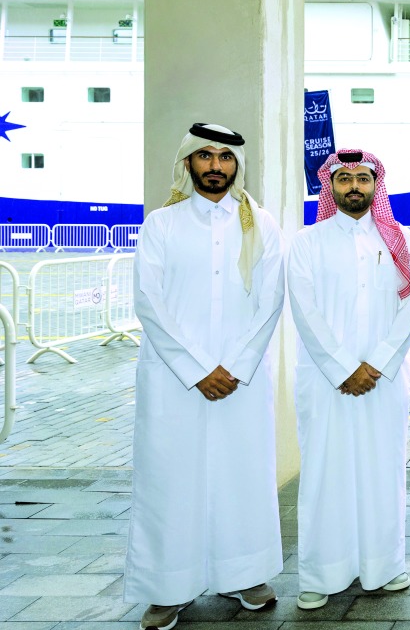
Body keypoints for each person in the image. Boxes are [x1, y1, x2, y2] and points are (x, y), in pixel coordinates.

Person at [125, 123, 286, 630]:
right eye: (206, 156)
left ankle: (246, 574)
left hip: (240, 378)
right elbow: (148, 300)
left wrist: (233, 366)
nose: (216, 165)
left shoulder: (260, 224)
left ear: (237, 165)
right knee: (171, 480)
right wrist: (197, 369)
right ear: (188, 162)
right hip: (175, 380)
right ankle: (167, 587)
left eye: (225, 157)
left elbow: (271, 299)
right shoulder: (161, 224)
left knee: (242, 475)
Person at [287, 149, 410, 610]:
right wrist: (345, 367)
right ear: (330, 186)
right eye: (344, 179)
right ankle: (321, 574)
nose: (354, 187)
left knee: (383, 471)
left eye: (363, 179)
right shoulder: (308, 242)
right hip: (327, 381)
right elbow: (304, 309)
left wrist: (378, 363)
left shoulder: (400, 239)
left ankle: (385, 566)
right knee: (325, 472)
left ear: (375, 185)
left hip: (384, 381)